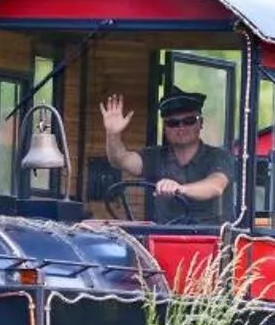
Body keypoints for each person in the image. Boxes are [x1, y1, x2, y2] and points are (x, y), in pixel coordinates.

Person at [100, 91, 234, 226]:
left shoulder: (218, 156)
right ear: (164, 128)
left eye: (189, 121)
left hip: (212, 241)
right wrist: (113, 133)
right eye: (173, 123)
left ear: (201, 124)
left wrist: (179, 188)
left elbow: (215, 185)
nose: (181, 128)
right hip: (163, 238)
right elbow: (120, 160)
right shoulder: (155, 156)